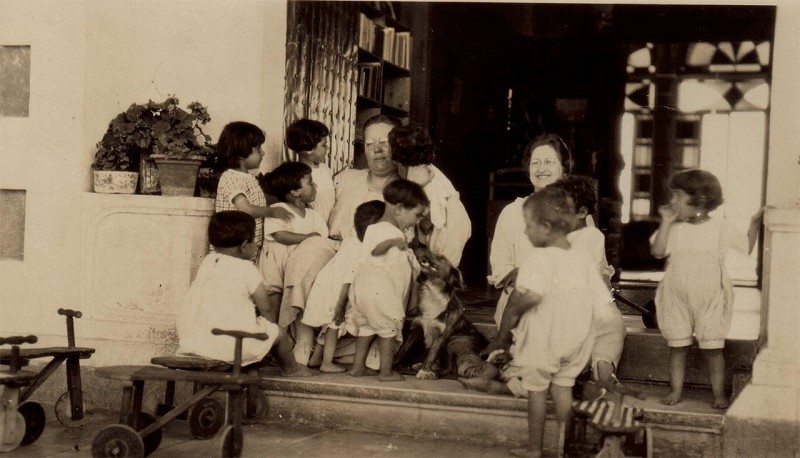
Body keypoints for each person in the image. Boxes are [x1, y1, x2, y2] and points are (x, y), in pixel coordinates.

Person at [468, 187, 607, 458]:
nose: (526, 232)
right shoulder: (581, 257)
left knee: (537, 390)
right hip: (577, 340)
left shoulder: (538, 259)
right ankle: (563, 446)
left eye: (528, 226)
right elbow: (600, 300)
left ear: (545, 227)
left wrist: (510, 326)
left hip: (546, 339)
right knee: (563, 386)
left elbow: (527, 298)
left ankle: (535, 448)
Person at [650, 169, 762, 409]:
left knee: (713, 349)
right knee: (677, 346)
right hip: (676, 294)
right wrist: (666, 223)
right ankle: (675, 390)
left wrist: (754, 223)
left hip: (710, 296)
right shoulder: (675, 229)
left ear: (699, 199)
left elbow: (746, 246)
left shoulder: (721, 227)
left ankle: (718, 394)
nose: (672, 202)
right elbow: (658, 252)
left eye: (677, 196)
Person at [176, 211, 313, 377]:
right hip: (231, 346)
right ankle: (292, 369)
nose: (256, 245)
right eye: (254, 241)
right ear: (244, 246)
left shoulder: (208, 262)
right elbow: (266, 308)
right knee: (278, 333)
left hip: (194, 342)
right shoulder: (247, 268)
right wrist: (270, 334)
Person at [488, 133, 574, 326]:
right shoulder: (512, 213)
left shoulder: (577, 213)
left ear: (564, 169)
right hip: (521, 301)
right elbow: (501, 268)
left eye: (549, 162)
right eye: (535, 163)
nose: (541, 169)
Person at [347, 179, 429, 382]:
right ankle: (386, 372)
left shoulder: (375, 228)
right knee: (388, 329)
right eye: (417, 215)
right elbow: (377, 250)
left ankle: (357, 368)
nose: (417, 221)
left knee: (366, 328)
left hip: (364, 293)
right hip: (380, 293)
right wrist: (394, 242)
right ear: (400, 209)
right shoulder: (386, 231)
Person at [259, 161, 335, 365]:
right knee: (273, 305)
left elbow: (323, 238)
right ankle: (270, 348)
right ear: (295, 191)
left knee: (296, 299)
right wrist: (307, 237)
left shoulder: (313, 214)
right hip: (277, 263)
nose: (316, 186)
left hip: (297, 267)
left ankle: (289, 345)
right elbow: (281, 235)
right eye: (310, 182)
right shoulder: (279, 209)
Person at [303, 200, 386, 373]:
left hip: (326, 284)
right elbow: (349, 278)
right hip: (337, 290)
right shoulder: (361, 250)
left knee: (328, 325)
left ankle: (316, 358)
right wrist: (341, 305)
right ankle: (327, 363)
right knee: (334, 324)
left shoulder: (352, 237)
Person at [388, 124, 471, 266]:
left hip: (446, 235)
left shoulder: (424, 177)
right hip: (438, 234)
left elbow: (432, 222)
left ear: (397, 158)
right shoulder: (424, 168)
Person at [214, 121, 292, 260]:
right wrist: (271, 212)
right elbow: (245, 209)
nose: (263, 152)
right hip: (232, 249)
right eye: (258, 149)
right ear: (242, 154)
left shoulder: (248, 177)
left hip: (246, 248)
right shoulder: (231, 177)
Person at [328, 114, 402, 241]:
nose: (377, 149)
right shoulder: (345, 179)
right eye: (369, 144)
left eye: (384, 142)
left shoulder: (408, 194)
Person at [286, 119, 335, 224]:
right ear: (309, 149)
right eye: (324, 145)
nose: (327, 148)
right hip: (313, 231)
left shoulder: (325, 169)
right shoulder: (297, 176)